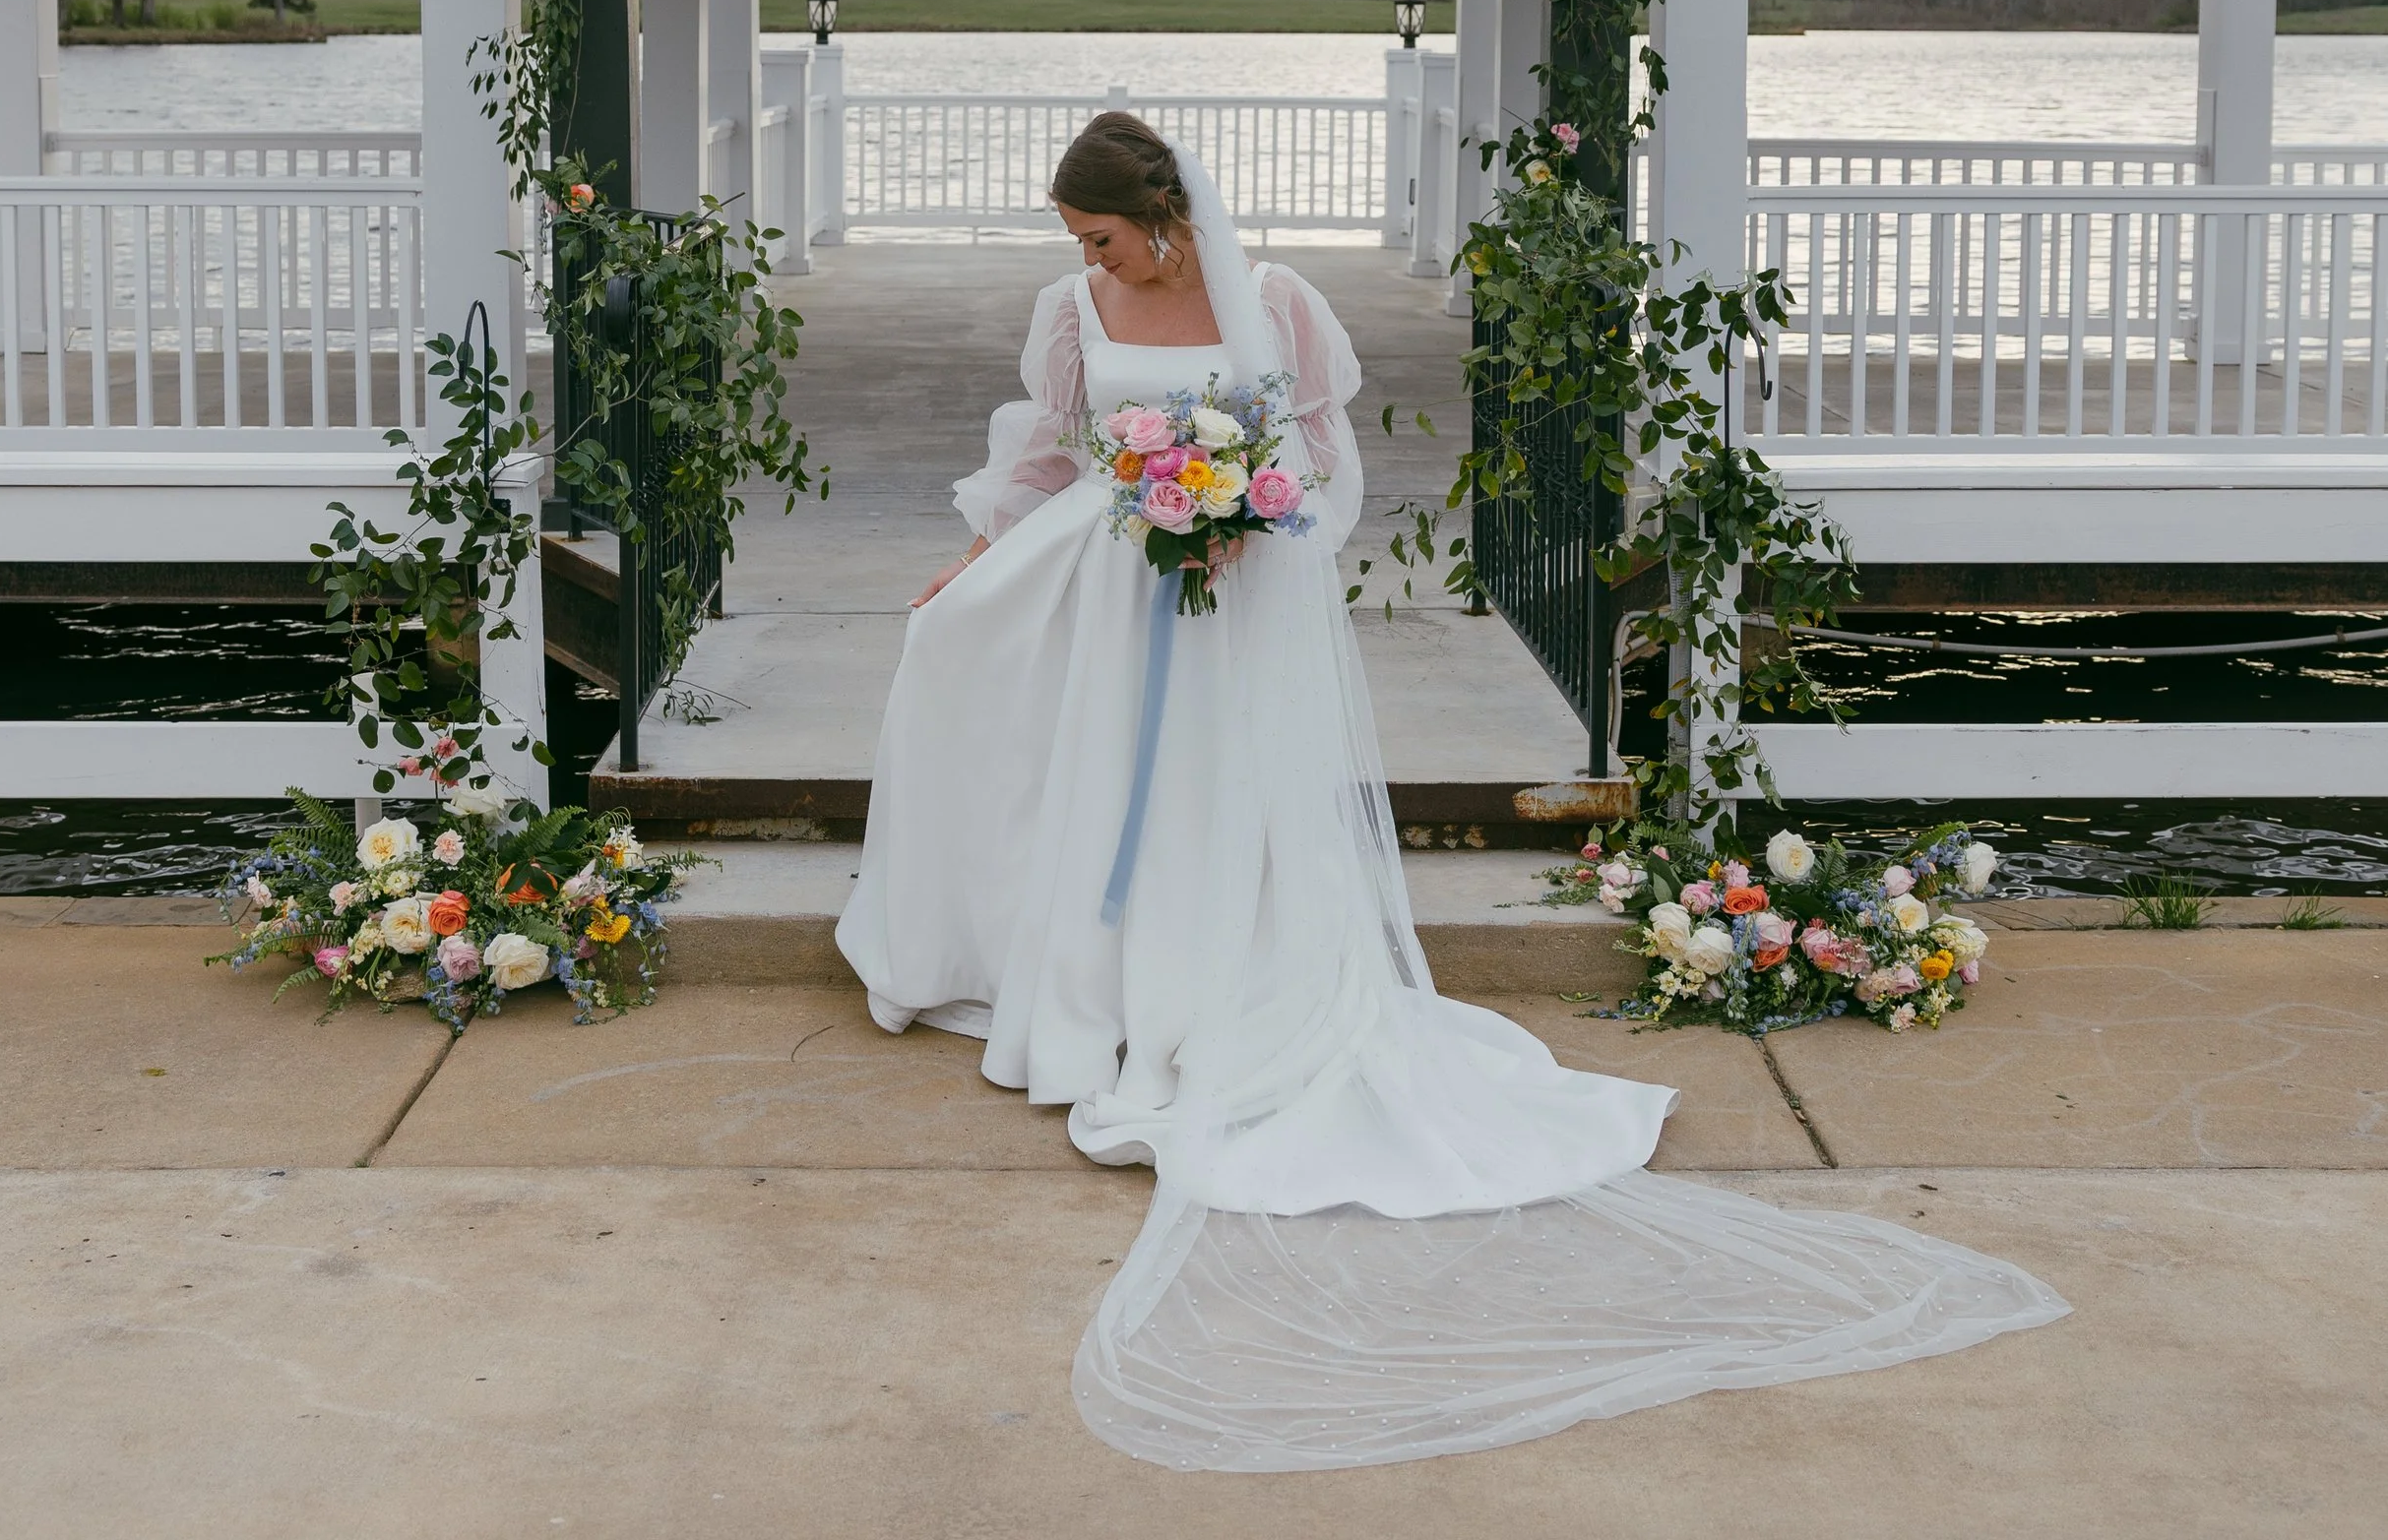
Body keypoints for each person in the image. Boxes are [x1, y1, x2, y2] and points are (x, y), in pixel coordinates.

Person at [838, 111, 2063, 1470]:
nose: (1089, 256)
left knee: (1205, 799)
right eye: (1080, 243)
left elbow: (1312, 450)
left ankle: (1200, 985)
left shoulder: (1275, 301)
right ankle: (1088, 978)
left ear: (1164, 218)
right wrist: (971, 556)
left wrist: (1250, 515)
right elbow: (1051, 453)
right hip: (1110, 574)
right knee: (984, 678)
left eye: (1102, 234)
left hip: (1229, 588)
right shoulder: (1073, 306)